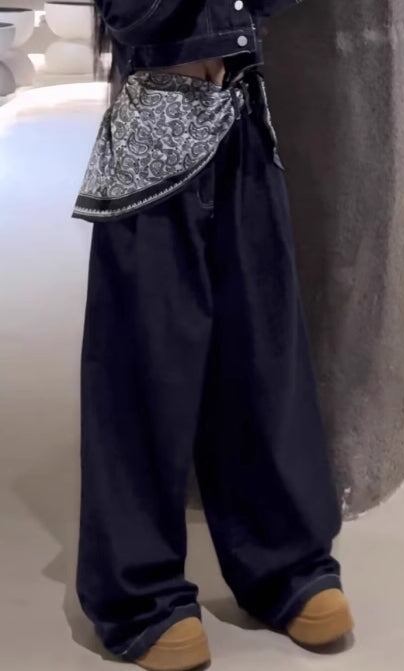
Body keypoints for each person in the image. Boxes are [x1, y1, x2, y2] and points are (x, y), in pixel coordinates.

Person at [71, 1, 353, 669]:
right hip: (153, 131)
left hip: (241, 119)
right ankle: (141, 595)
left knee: (262, 356)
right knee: (145, 369)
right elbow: (132, 15)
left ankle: (285, 565)